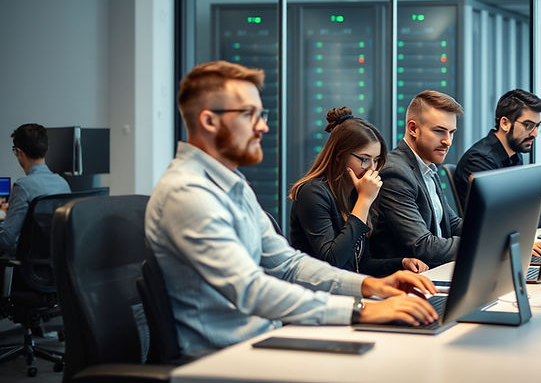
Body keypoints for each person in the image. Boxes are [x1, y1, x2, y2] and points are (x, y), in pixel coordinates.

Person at [145, 61, 437, 356]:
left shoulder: (233, 185)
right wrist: (361, 309)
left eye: (262, 114)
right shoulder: (188, 194)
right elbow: (251, 290)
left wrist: (369, 287)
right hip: (222, 357)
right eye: (250, 115)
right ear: (209, 121)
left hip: (264, 339)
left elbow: (288, 264)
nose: (263, 126)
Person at [288, 107, 428, 276]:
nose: (371, 168)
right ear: (339, 155)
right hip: (316, 294)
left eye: (376, 160)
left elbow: (360, 264)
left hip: (345, 291)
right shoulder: (312, 193)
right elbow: (332, 261)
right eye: (364, 159)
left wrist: (401, 263)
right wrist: (364, 200)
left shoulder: (354, 194)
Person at [371, 90, 464, 267]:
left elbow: (452, 223)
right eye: (439, 131)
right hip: (407, 280)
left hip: (434, 271)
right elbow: (423, 246)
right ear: (413, 128)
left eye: (451, 132)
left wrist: (498, 236)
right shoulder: (395, 172)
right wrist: (482, 244)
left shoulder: (427, 166)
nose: (448, 141)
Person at [453, 89, 541, 218]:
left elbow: (526, 199)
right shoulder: (479, 160)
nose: (535, 133)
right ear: (505, 123)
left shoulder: (514, 156)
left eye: (537, 126)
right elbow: (498, 217)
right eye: (528, 125)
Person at [0, 124, 70, 254]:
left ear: (19, 152)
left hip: (28, 268)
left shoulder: (22, 187)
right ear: (47, 150)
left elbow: (6, 239)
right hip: (56, 267)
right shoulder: (63, 184)